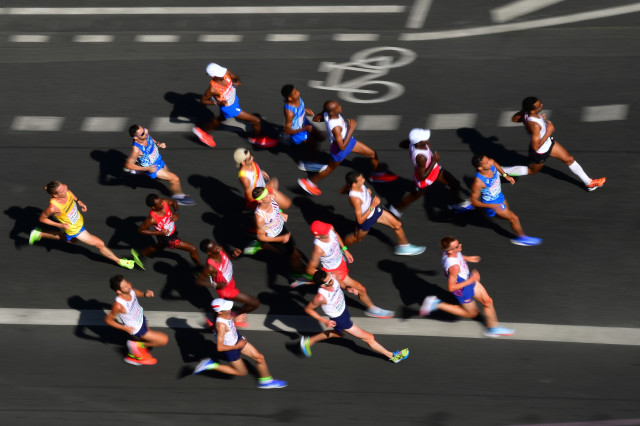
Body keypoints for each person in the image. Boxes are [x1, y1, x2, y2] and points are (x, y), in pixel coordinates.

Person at [299, 270, 410, 363]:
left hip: (344, 311)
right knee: (369, 337)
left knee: (338, 334)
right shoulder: (320, 297)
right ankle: (392, 356)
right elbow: (308, 309)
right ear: (322, 285)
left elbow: (340, 283)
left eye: (331, 277)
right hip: (340, 319)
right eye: (329, 281)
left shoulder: (332, 277)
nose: (332, 280)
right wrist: (324, 320)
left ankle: (309, 341)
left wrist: (348, 288)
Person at [419, 236, 515, 338]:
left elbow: (458, 255)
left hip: (468, 279)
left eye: (458, 244)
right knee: (472, 314)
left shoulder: (448, 252)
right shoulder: (454, 267)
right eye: (457, 246)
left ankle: (493, 328)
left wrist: (468, 258)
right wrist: (471, 280)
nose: (460, 245)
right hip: (462, 289)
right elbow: (451, 288)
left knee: (487, 301)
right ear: (450, 251)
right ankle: (436, 303)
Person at [503, 97, 606, 191]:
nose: (542, 105)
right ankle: (500, 171)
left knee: (569, 159)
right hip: (540, 152)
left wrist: (539, 120)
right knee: (531, 170)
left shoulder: (527, 112)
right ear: (532, 110)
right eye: (539, 106)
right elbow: (535, 147)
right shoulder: (534, 125)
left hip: (548, 144)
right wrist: (548, 131)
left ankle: (589, 183)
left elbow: (514, 119)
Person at [297, 100, 397, 196]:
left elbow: (316, 119)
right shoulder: (336, 127)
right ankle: (308, 182)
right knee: (329, 169)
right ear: (332, 111)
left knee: (372, 154)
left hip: (349, 142)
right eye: (337, 107)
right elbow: (342, 147)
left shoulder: (327, 113)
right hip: (340, 148)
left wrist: (321, 115)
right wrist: (351, 128)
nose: (340, 107)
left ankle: (377, 175)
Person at [297, 221, 394, 319]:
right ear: (318, 237)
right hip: (335, 271)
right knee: (361, 289)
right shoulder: (319, 249)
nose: (329, 232)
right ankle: (372, 309)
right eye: (326, 234)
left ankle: (307, 281)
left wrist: (345, 249)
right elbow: (310, 269)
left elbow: (336, 235)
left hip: (341, 262)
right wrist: (330, 275)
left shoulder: (329, 228)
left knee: (346, 286)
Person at [29, 181, 135, 269]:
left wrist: (80, 202)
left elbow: (71, 194)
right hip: (74, 229)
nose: (66, 189)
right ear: (55, 195)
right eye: (62, 190)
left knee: (71, 240)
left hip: (79, 221)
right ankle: (119, 261)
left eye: (64, 186)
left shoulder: (66, 192)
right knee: (99, 244)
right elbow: (42, 219)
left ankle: (39, 234)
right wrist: (60, 225)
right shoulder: (53, 207)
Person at [192, 298, 288, 389]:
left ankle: (266, 381)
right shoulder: (220, 325)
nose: (230, 308)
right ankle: (210, 365)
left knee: (260, 357)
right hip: (232, 349)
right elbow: (220, 348)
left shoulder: (226, 313)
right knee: (242, 372)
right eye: (227, 307)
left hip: (238, 339)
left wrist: (236, 320)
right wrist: (238, 346)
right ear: (220, 312)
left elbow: (229, 322)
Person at [389, 128, 473, 218]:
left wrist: (419, 146)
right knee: (414, 196)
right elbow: (422, 177)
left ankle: (454, 203)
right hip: (425, 175)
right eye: (425, 138)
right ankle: (395, 210)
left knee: (455, 183)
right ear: (418, 143)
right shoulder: (421, 157)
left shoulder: (415, 144)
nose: (428, 139)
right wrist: (434, 161)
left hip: (434, 170)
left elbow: (402, 144)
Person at [192, 62, 277, 148]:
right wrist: (217, 102)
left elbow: (236, 77)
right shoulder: (212, 89)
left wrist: (237, 81)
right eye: (219, 74)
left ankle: (202, 131)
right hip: (229, 108)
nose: (222, 75)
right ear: (213, 76)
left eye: (221, 72)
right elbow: (203, 101)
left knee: (221, 119)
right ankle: (258, 139)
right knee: (256, 121)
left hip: (233, 101)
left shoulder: (226, 73)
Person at [341, 171, 426, 255]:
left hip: (375, 211)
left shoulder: (356, 185)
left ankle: (404, 246)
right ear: (354, 184)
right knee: (356, 238)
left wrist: (366, 192)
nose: (363, 180)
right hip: (366, 219)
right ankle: (341, 249)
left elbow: (345, 189)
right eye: (361, 180)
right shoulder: (355, 198)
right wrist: (372, 206)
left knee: (397, 225)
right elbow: (360, 220)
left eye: (362, 178)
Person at [470, 155, 542, 246]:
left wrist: (505, 175)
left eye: (487, 159)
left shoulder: (491, 162)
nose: (490, 161)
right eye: (487, 162)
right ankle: (521, 238)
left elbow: (496, 164)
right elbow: (474, 201)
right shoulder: (478, 182)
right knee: (514, 218)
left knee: (506, 214)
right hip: (492, 204)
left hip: (499, 196)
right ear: (480, 168)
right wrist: (491, 206)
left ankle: (483, 212)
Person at [104, 275, 169, 365]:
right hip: (136, 328)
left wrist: (144, 294)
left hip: (141, 318)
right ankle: (135, 346)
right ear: (119, 291)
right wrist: (125, 328)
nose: (129, 286)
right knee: (163, 340)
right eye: (125, 286)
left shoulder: (130, 290)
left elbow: (135, 292)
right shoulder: (118, 305)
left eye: (127, 283)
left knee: (147, 341)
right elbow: (108, 320)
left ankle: (132, 356)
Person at [125, 124, 196, 206]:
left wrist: (158, 144)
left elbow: (151, 140)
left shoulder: (145, 136)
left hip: (158, 160)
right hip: (153, 167)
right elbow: (128, 165)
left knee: (168, 173)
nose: (146, 131)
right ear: (136, 138)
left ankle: (135, 172)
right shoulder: (136, 150)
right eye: (142, 133)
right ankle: (179, 198)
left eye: (144, 129)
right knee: (175, 179)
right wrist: (147, 168)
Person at [195, 239, 260, 328]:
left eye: (215, 245)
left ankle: (216, 318)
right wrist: (216, 284)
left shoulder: (220, 249)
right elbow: (199, 281)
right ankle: (232, 317)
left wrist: (234, 254)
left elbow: (229, 258)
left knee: (225, 307)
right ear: (209, 253)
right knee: (255, 303)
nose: (216, 248)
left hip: (231, 283)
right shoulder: (210, 267)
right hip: (226, 291)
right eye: (213, 248)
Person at [132, 194, 202, 268]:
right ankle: (200, 268)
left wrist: (176, 212)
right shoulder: (152, 219)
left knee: (160, 246)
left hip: (172, 232)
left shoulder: (165, 202)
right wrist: (158, 233)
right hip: (166, 238)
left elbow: (174, 202)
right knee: (192, 248)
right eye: (160, 204)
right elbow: (141, 230)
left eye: (161, 201)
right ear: (153, 207)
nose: (162, 204)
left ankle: (140, 254)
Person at [253, 186, 305, 275]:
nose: (269, 196)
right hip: (275, 237)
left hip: (282, 229)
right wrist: (280, 239)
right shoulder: (260, 218)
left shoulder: (271, 198)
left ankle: (264, 246)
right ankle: (298, 276)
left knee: (293, 247)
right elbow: (261, 236)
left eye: (268, 193)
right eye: (266, 196)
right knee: (296, 256)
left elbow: (276, 209)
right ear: (260, 201)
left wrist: (281, 213)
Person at [281, 84, 326, 172]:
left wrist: (305, 109)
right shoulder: (290, 113)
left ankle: (286, 139)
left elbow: (299, 108)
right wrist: (304, 129)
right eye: (295, 93)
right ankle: (307, 164)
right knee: (313, 144)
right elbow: (287, 130)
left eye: (296, 90)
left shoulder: (298, 99)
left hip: (304, 123)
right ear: (290, 98)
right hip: (298, 131)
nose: (298, 92)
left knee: (320, 137)